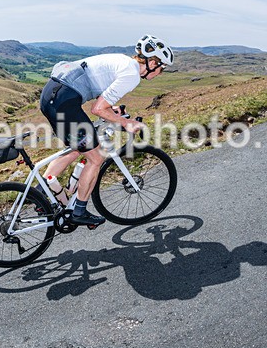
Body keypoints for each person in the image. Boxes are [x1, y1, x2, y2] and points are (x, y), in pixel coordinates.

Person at [39, 35, 172, 227]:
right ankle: (79, 211)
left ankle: (39, 194)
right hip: (64, 102)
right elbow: (98, 109)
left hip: (52, 95)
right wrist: (127, 124)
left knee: (78, 148)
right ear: (152, 62)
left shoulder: (123, 61)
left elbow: (101, 93)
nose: (160, 73)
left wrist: (113, 111)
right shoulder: (132, 75)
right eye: (161, 68)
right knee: (96, 157)